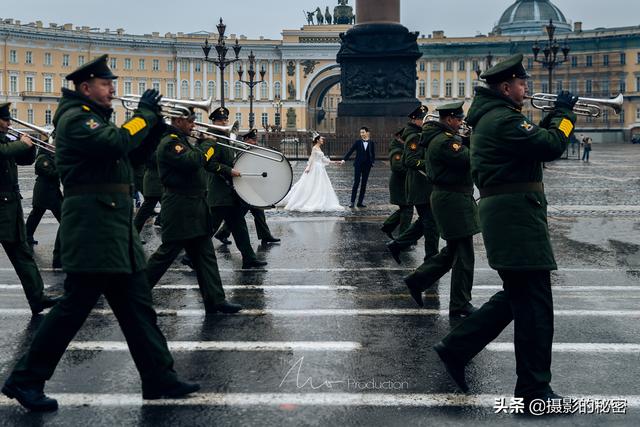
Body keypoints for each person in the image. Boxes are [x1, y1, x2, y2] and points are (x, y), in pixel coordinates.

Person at [2, 55, 199, 412]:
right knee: (73, 309)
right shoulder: (76, 119)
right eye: (106, 84)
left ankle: (159, 377)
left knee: (139, 308)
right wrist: (144, 117)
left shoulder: (94, 118)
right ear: (85, 87)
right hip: (94, 228)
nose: (112, 90)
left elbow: (132, 154)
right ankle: (25, 379)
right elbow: (115, 142)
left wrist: (154, 126)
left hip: (114, 230)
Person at [432, 54, 578, 412]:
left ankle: (456, 348)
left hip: (512, 215)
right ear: (505, 86)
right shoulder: (501, 119)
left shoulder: (499, 118)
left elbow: (535, 140)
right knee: (535, 305)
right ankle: (534, 391)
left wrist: (551, 119)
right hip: (516, 218)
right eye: (521, 83)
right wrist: (565, 115)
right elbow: (551, 145)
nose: (526, 88)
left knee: (518, 296)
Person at [145, 108, 241, 314]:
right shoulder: (170, 142)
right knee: (165, 255)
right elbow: (192, 162)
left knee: (206, 256)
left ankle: (216, 299)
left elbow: (199, 160)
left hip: (195, 206)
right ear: (178, 120)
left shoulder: (183, 140)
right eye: (190, 122)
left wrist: (204, 145)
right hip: (180, 207)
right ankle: (133, 292)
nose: (193, 126)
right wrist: (207, 143)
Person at [403, 102, 479, 317]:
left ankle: (417, 281)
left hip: (453, 198)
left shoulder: (443, 138)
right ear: (448, 120)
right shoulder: (444, 142)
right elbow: (469, 159)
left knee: (454, 251)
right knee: (464, 254)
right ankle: (459, 303)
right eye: (458, 119)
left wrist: (465, 139)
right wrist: (475, 140)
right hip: (453, 200)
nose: (461, 122)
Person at [0, 102, 58, 314]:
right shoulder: (4, 144)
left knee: (22, 254)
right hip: (3, 207)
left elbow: (24, 160)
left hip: (9, 209)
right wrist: (21, 143)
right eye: (5, 120)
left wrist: (32, 145)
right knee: (20, 252)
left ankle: (37, 298)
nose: (9, 123)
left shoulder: (7, 139)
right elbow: (4, 152)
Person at [205, 107, 267, 269]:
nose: (225, 122)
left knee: (239, 226)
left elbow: (228, 158)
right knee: (209, 228)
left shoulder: (223, 138)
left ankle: (249, 258)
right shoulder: (212, 139)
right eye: (221, 120)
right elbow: (209, 164)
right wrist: (229, 171)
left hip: (229, 192)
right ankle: (192, 257)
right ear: (214, 122)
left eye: (225, 120)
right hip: (219, 191)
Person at [386, 105, 440, 264]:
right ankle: (431, 259)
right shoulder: (414, 137)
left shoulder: (419, 134)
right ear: (414, 120)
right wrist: (430, 163)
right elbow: (408, 161)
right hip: (420, 186)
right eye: (422, 119)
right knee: (430, 224)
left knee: (426, 221)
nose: (425, 122)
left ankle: (397, 245)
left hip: (424, 186)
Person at [212, 129, 281, 246]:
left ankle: (265, 235)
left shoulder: (253, 151)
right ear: (246, 140)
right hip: (243, 186)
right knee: (240, 213)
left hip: (251, 186)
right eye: (252, 140)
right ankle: (223, 233)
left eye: (255, 140)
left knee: (258, 211)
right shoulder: (240, 151)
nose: (255, 142)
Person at [279, 134, 344, 211]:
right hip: (315, 168)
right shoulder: (315, 148)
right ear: (317, 140)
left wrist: (335, 162)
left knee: (320, 184)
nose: (322, 140)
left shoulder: (319, 148)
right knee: (312, 184)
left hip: (320, 169)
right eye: (321, 139)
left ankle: (319, 198)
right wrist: (309, 168)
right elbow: (312, 158)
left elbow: (324, 159)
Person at [24, 145, 62, 268]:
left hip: (50, 191)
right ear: (45, 146)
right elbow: (50, 173)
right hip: (45, 192)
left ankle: (27, 235)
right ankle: (26, 236)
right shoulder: (42, 158)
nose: (54, 147)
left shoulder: (52, 157)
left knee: (36, 215)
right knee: (63, 217)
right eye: (51, 145)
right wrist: (62, 168)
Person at [380, 128, 413, 238]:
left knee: (405, 209)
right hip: (399, 185)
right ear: (399, 137)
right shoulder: (397, 150)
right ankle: (404, 238)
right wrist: (412, 169)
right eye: (405, 138)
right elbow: (397, 167)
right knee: (407, 210)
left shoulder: (402, 147)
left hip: (403, 185)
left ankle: (388, 226)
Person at [341, 126, 375, 208]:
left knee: (364, 184)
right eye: (360, 133)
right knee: (356, 183)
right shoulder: (357, 142)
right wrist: (344, 159)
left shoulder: (371, 142)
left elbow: (373, 153)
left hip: (367, 166)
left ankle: (360, 202)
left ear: (367, 133)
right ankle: (352, 202)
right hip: (358, 165)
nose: (361, 134)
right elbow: (350, 151)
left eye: (363, 132)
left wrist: (372, 162)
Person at [133, 142, 162, 233]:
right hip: (154, 181)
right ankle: (133, 233)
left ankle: (133, 233)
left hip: (158, 181)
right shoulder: (152, 143)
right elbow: (150, 159)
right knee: (147, 207)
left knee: (167, 206)